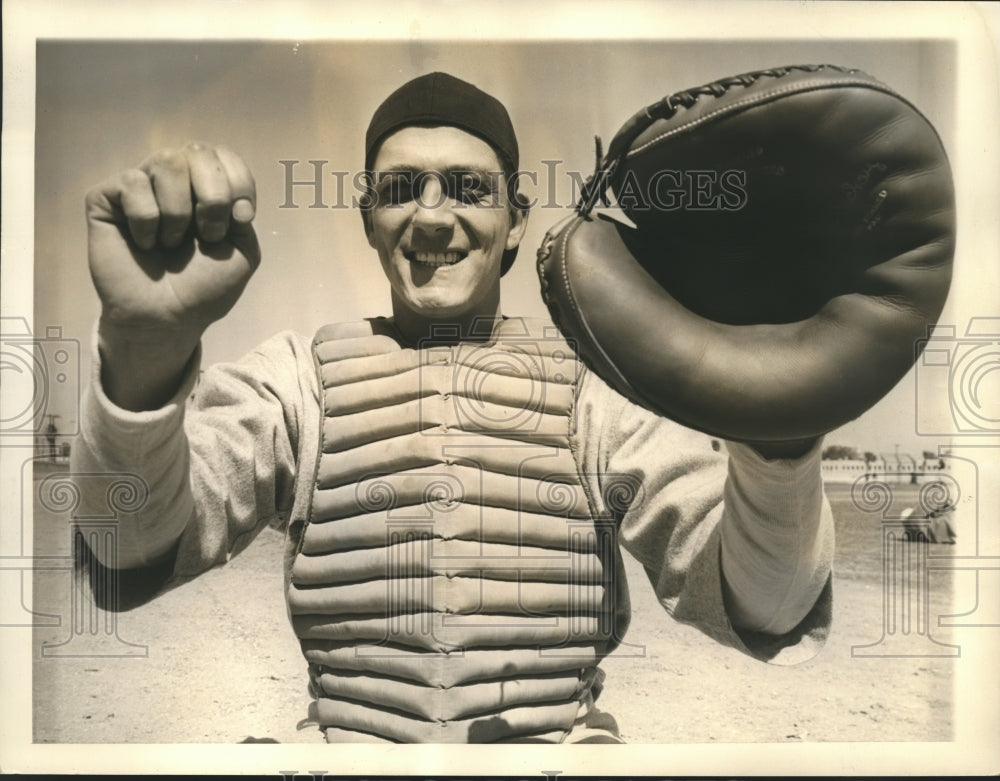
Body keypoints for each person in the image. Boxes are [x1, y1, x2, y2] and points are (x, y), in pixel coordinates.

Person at [72, 72, 833, 743]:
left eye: (469, 188)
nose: (432, 217)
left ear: (517, 219)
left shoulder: (591, 388)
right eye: (402, 189)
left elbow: (767, 602)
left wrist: (778, 435)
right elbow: (127, 538)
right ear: (369, 216)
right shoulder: (300, 379)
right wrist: (142, 349)